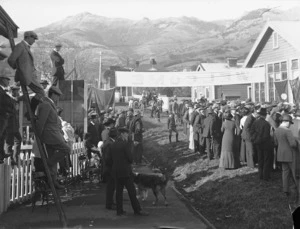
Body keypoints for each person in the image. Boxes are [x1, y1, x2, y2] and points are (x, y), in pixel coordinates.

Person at [106, 127, 148, 216]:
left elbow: (108, 159)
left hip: (116, 171)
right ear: (122, 134)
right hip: (126, 172)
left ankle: (119, 211)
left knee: (119, 192)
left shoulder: (112, 145)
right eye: (126, 134)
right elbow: (130, 158)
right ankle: (137, 210)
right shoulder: (125, 145)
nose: (127, 135)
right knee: (132, 192)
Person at [35, 86, 70, 189]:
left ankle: (53, 181)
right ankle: (46, 164)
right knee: (66, 149)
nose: (58, 97)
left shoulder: (50, 104)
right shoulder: (46, 105)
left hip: (53, 134)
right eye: (57, 95)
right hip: (50, 134)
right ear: (53, 94)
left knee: (53, 159)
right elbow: (41, 123)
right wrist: (39, 136)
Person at [7, 31, 45, 100]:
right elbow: (11, 60)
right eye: (33, 38)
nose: (34, 41)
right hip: (26, 76)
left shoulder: (25, 46)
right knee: (41, 92)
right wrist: (18, 68)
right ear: (28, 37)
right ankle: (33, 108)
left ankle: (20, 100)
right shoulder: (20, 46)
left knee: (40, 92)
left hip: (28, 75)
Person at [274, 114, 299, 202]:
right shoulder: (287, 131)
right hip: (290, 155)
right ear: (287, 122)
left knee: (285, 172)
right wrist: (296, 143)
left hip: (281, 154)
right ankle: (298, 191)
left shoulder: (277, 130)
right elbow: (292, 144)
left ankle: (285, 189)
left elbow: (276, 142)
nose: (290, 125)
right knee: (295, 173)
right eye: (290, 123)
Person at [250, 107, 272, 181]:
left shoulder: (255, 122)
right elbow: (266, 136)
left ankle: (260, 175)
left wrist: (255, 140)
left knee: (260, 159)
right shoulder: (266, 124)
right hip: (265, 144)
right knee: (266, 160)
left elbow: (251, 132)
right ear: (265, 115)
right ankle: (265, 176)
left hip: (258, 143)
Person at [6, 85, 22, 166]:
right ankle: (11, 159)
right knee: (9, 143)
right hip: (9, 126)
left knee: (18, 140)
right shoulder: (9, 99)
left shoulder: (13, 100)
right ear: (12, 91)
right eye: (16, 91)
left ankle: (14, 158)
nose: (17, 92)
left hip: (14, 125)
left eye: (18, 90)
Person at [0, 75, 14, 164]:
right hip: (2, 116)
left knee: (2, 136)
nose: (8, 81)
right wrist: (7, 112)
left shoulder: (2, 91)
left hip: (4, 116)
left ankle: (1, 153)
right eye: (7, 79)